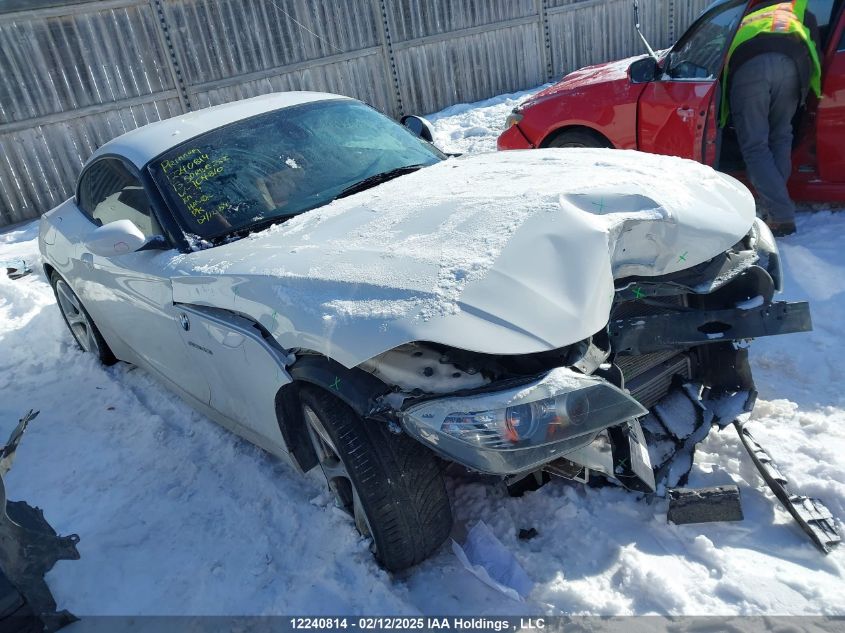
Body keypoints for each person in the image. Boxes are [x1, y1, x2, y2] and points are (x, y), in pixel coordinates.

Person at [720, 0, 822, 237]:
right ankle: (774, 204)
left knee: (755, 145)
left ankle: (780, 213)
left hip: (751, 66)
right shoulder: (798, 8)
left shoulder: (749, 9)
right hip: (793, 65)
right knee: (781, 135)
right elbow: (817, 48)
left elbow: (720, 47)